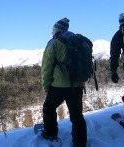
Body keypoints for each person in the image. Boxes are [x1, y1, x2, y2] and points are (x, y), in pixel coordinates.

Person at [41, 18, 87, 147]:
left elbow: (46, 67)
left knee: (49, 107)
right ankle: (80, 142)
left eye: (53, 29)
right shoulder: (79, 41)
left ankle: (51, 134)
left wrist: (46, 86)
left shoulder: (54, 43)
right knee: (77, 115)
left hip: (59, 85)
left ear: (57, 30)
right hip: (78, 85)